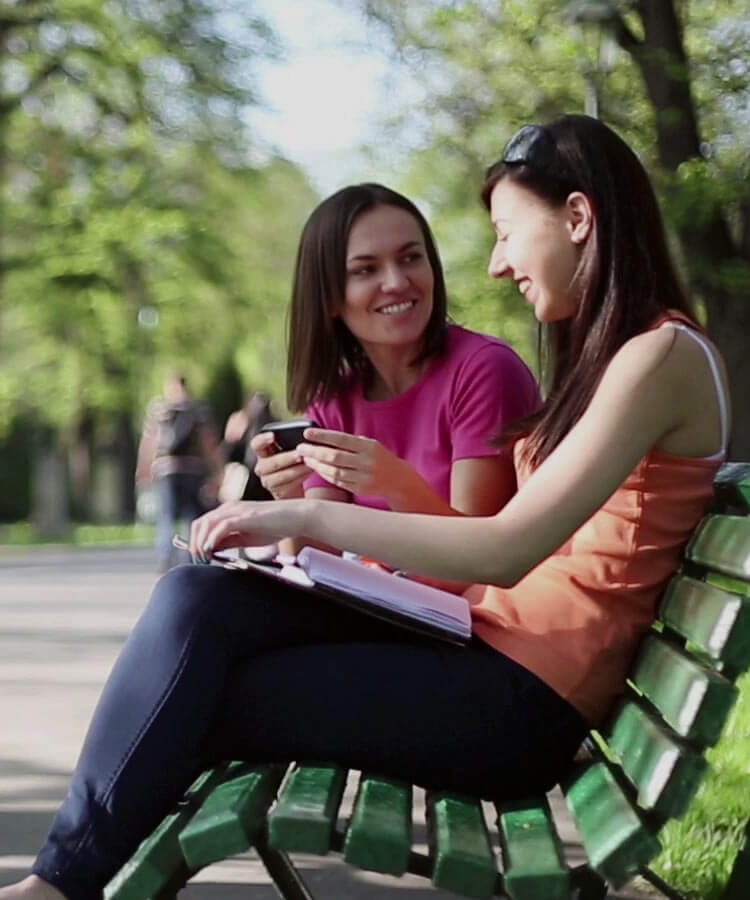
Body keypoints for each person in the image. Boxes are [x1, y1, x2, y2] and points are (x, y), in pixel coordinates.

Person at [3, 114, 732, 900]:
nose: (495, 264)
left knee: (200, 689)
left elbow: (503, 549)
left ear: (579, 218)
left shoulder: (659, 358)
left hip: (521, 704)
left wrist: (303, 518)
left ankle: (56, 888)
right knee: (197, 598)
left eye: (508, 232)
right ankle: (56, 884)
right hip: (485, 655)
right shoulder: (626, 358)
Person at [251, 183, 541, 542]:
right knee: (196, 582)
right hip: (368, 597)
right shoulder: (332, 400)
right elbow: (319, 562)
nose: (396, 282)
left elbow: (476, 561)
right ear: (329, 298)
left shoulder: (485, 370)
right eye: (366, 269)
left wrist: (397, 484)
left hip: (471, 597)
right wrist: (291, 499)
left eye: (410, 258)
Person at [135, 373, 223, 572]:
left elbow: (148, 443)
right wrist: (218, 470)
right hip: (193, 469)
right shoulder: (197, 410)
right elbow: (209, 443)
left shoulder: (159, 410)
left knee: (166, 515)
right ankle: (191, 556)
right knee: (191, 516)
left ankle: (166, 555)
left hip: (166, 469)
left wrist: (144, 470)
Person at [218, 391, 275, 503]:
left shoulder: (242, 420)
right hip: (253, 472)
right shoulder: (242, 421)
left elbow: (228, 448)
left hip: (251, 473)